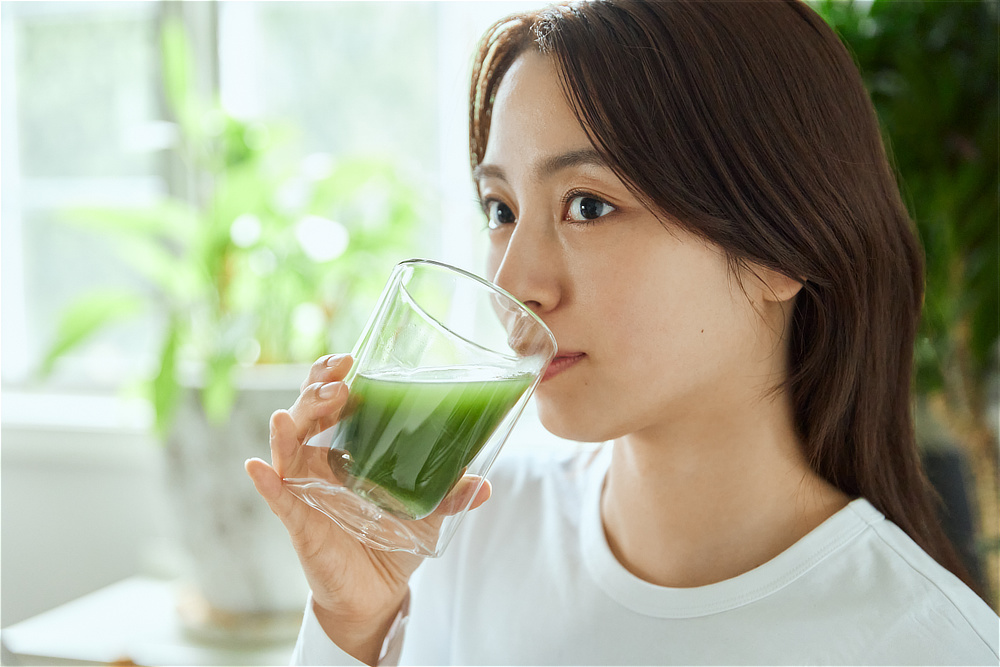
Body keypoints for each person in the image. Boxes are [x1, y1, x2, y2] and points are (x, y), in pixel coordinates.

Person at [245, 0, 1000, 664]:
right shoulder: (459, 534)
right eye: (501, 209)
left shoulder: (924, 645)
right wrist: (350, 629)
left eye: (589, 206)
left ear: (781, 251)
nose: (515, 282)